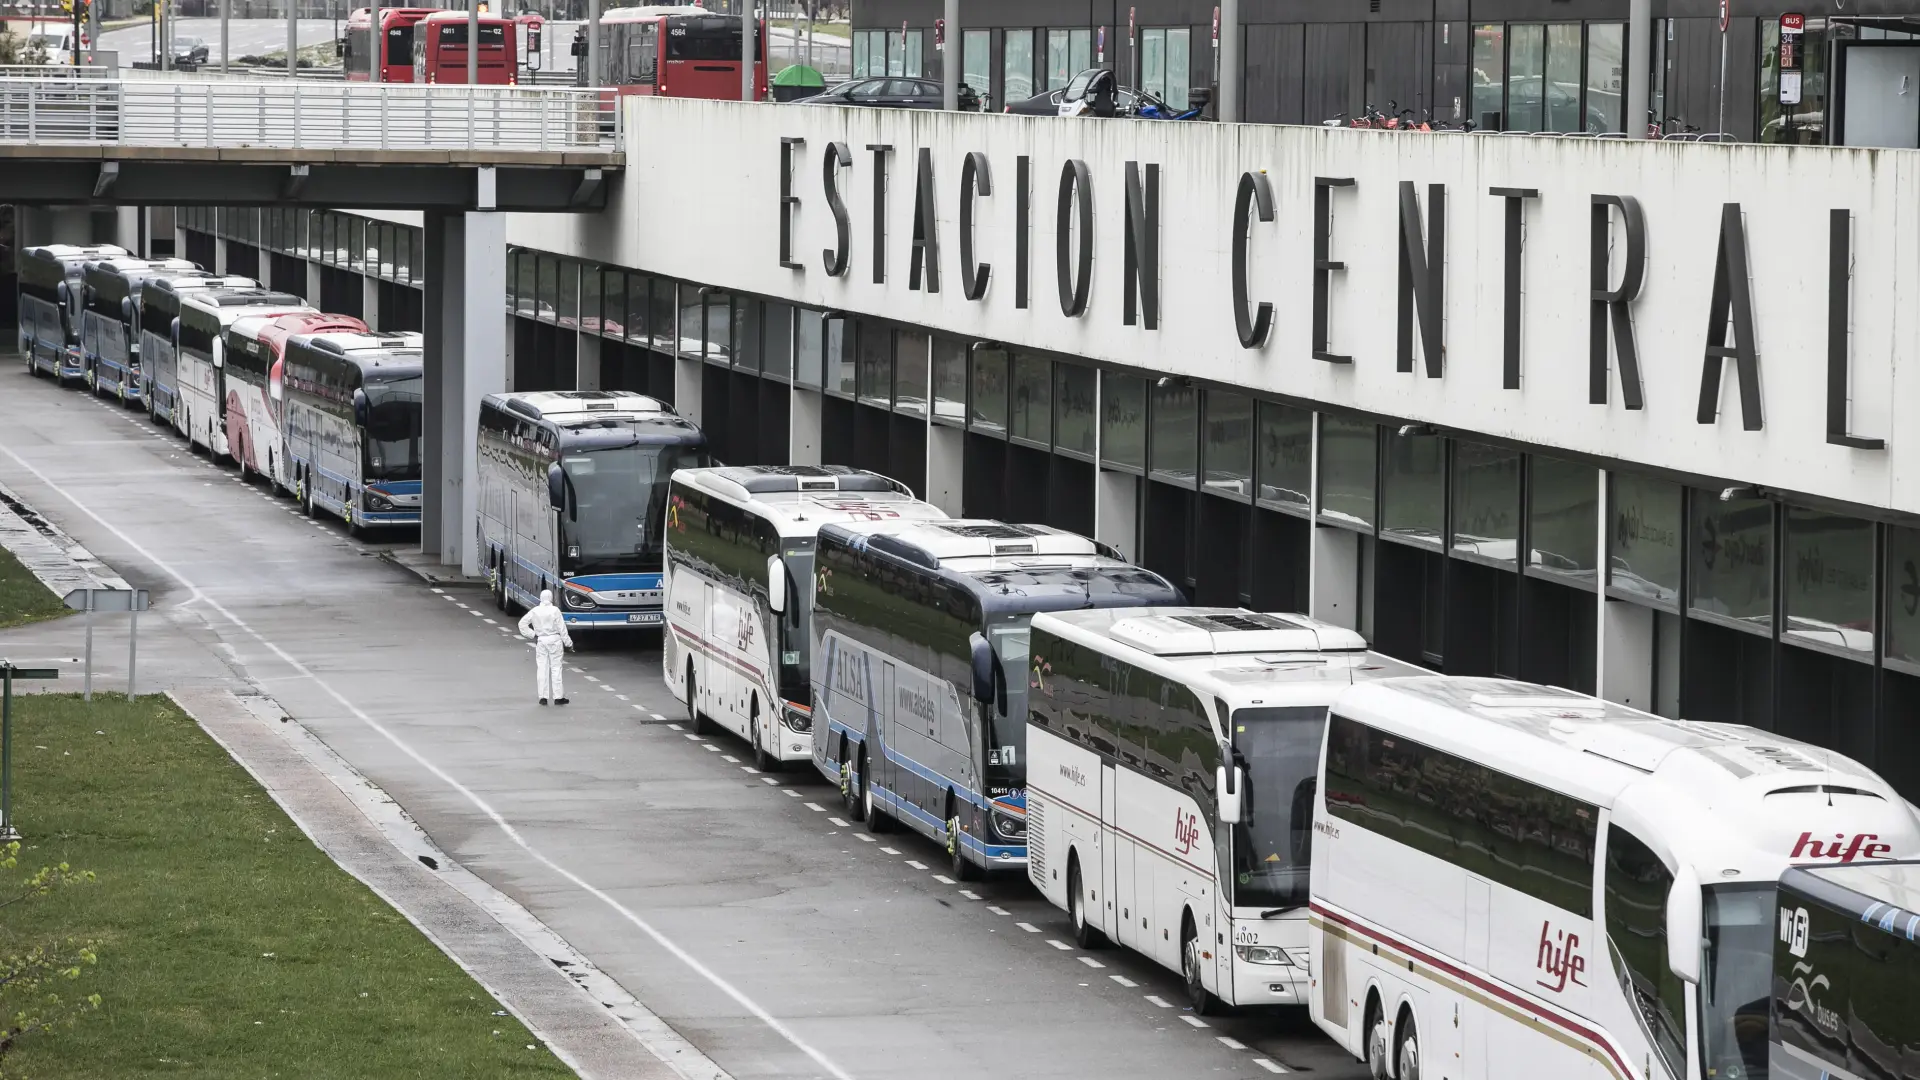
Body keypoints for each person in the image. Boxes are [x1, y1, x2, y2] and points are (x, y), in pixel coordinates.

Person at [517, 588, 574, 704]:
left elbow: (522, 624)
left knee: (542, 668)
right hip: (555, 641)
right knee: (556, 668)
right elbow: (562, 629)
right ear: (551, 598)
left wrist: (533, 634)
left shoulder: (535, 611)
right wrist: (569, 643)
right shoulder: (555, 610)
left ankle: (543, 697)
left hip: (541, 641)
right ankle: (558, 697)